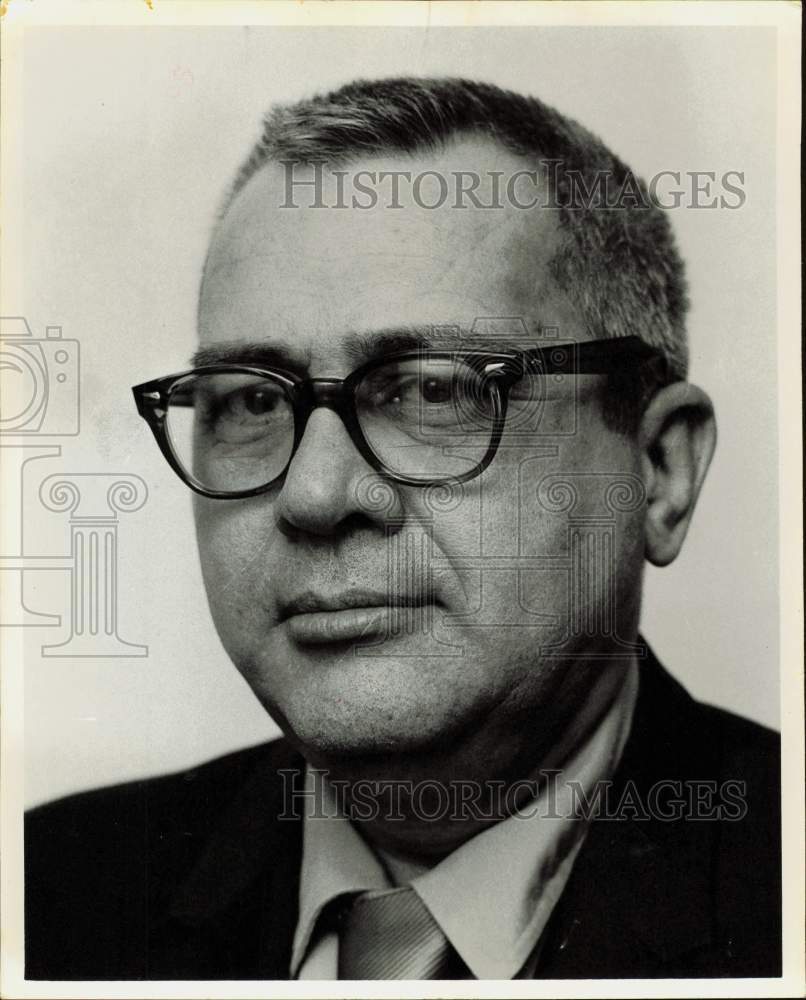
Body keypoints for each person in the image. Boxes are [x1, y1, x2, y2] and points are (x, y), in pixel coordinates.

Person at [25, 77, 780, 981]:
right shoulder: (51, 894)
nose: (314, 494)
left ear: (659, 471)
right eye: (256, 402)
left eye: (433, 389)